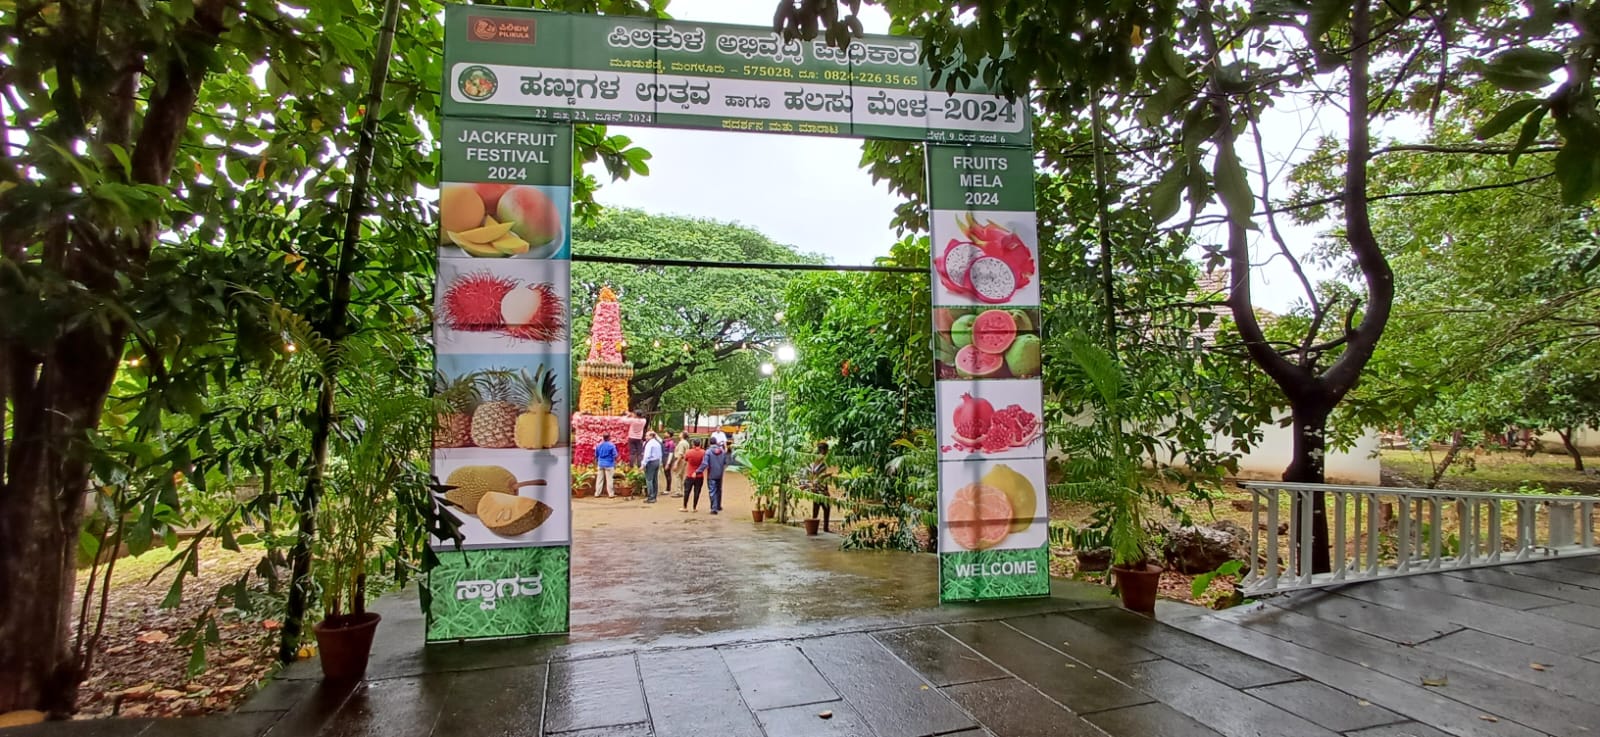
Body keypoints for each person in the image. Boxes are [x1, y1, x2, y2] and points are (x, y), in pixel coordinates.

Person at [803, 441, 834, 532]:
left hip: (815, 486)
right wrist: (828, 475)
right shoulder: (821, 460)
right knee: (826, 507)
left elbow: (811, 472)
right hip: (821, 486)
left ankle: (813, 527)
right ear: (824, 450)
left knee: (816, 507)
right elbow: (819, 473)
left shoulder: (814, 459)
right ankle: (824, 527)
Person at [697, 439, 734, 514]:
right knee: (719, 489)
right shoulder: (722, 451)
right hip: (720, 473)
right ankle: (718, 506)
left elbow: (705, 463)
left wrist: (698, 471)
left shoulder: (708, 452)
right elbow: (726, 462)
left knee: (712, 490)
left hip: (711, 474)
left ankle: (714, 508)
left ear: (710, 443)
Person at [680, 439, 707, 512]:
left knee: (687, 491)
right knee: (697, 491)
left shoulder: (689, 452)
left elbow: (685, 459)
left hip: (690, 474)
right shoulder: (703, 452)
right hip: (699, 475)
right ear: (700, 444)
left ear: (693, 444)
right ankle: (694, 507)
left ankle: (684, 506)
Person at [641, 431, 663, 503]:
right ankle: (654, 495)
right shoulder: (657, 443)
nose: (646, 437)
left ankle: (650, 496)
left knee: (649, 480)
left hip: (651, 462)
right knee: (655, 479)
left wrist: (643, 464)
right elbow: (660, 454)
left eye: (647, 436)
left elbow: (647, 455)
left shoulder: (649, 444)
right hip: (657, 461)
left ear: (651, 436)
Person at [666, 431, 689, 497]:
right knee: (681, 475)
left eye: (681, 433)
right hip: (684, 460)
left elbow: (680, 454)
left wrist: (676, 462)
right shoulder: (686, 443)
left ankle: (678, 491)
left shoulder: (681, 443)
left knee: (677, 475)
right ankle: (680, 490)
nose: (679, 434)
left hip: (680, 460)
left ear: (683, 435)